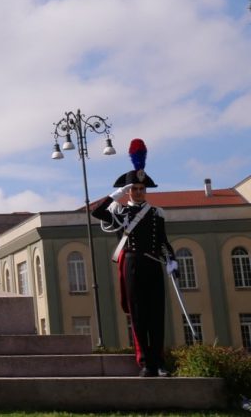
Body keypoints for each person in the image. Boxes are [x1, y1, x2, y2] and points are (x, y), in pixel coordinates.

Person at [91, 139, 176, 377]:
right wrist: (116, 194)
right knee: (138, 314)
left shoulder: (156, 212)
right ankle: (146, 362)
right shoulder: (120, 211)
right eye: (134, 189)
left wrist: (172, 260)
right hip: (132, 264)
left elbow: (162, 240)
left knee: (157, 314)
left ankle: (159, 362)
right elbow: (97, 212)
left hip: (153, 263)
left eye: (141, 189)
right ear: (128, 191)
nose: (138, 192)